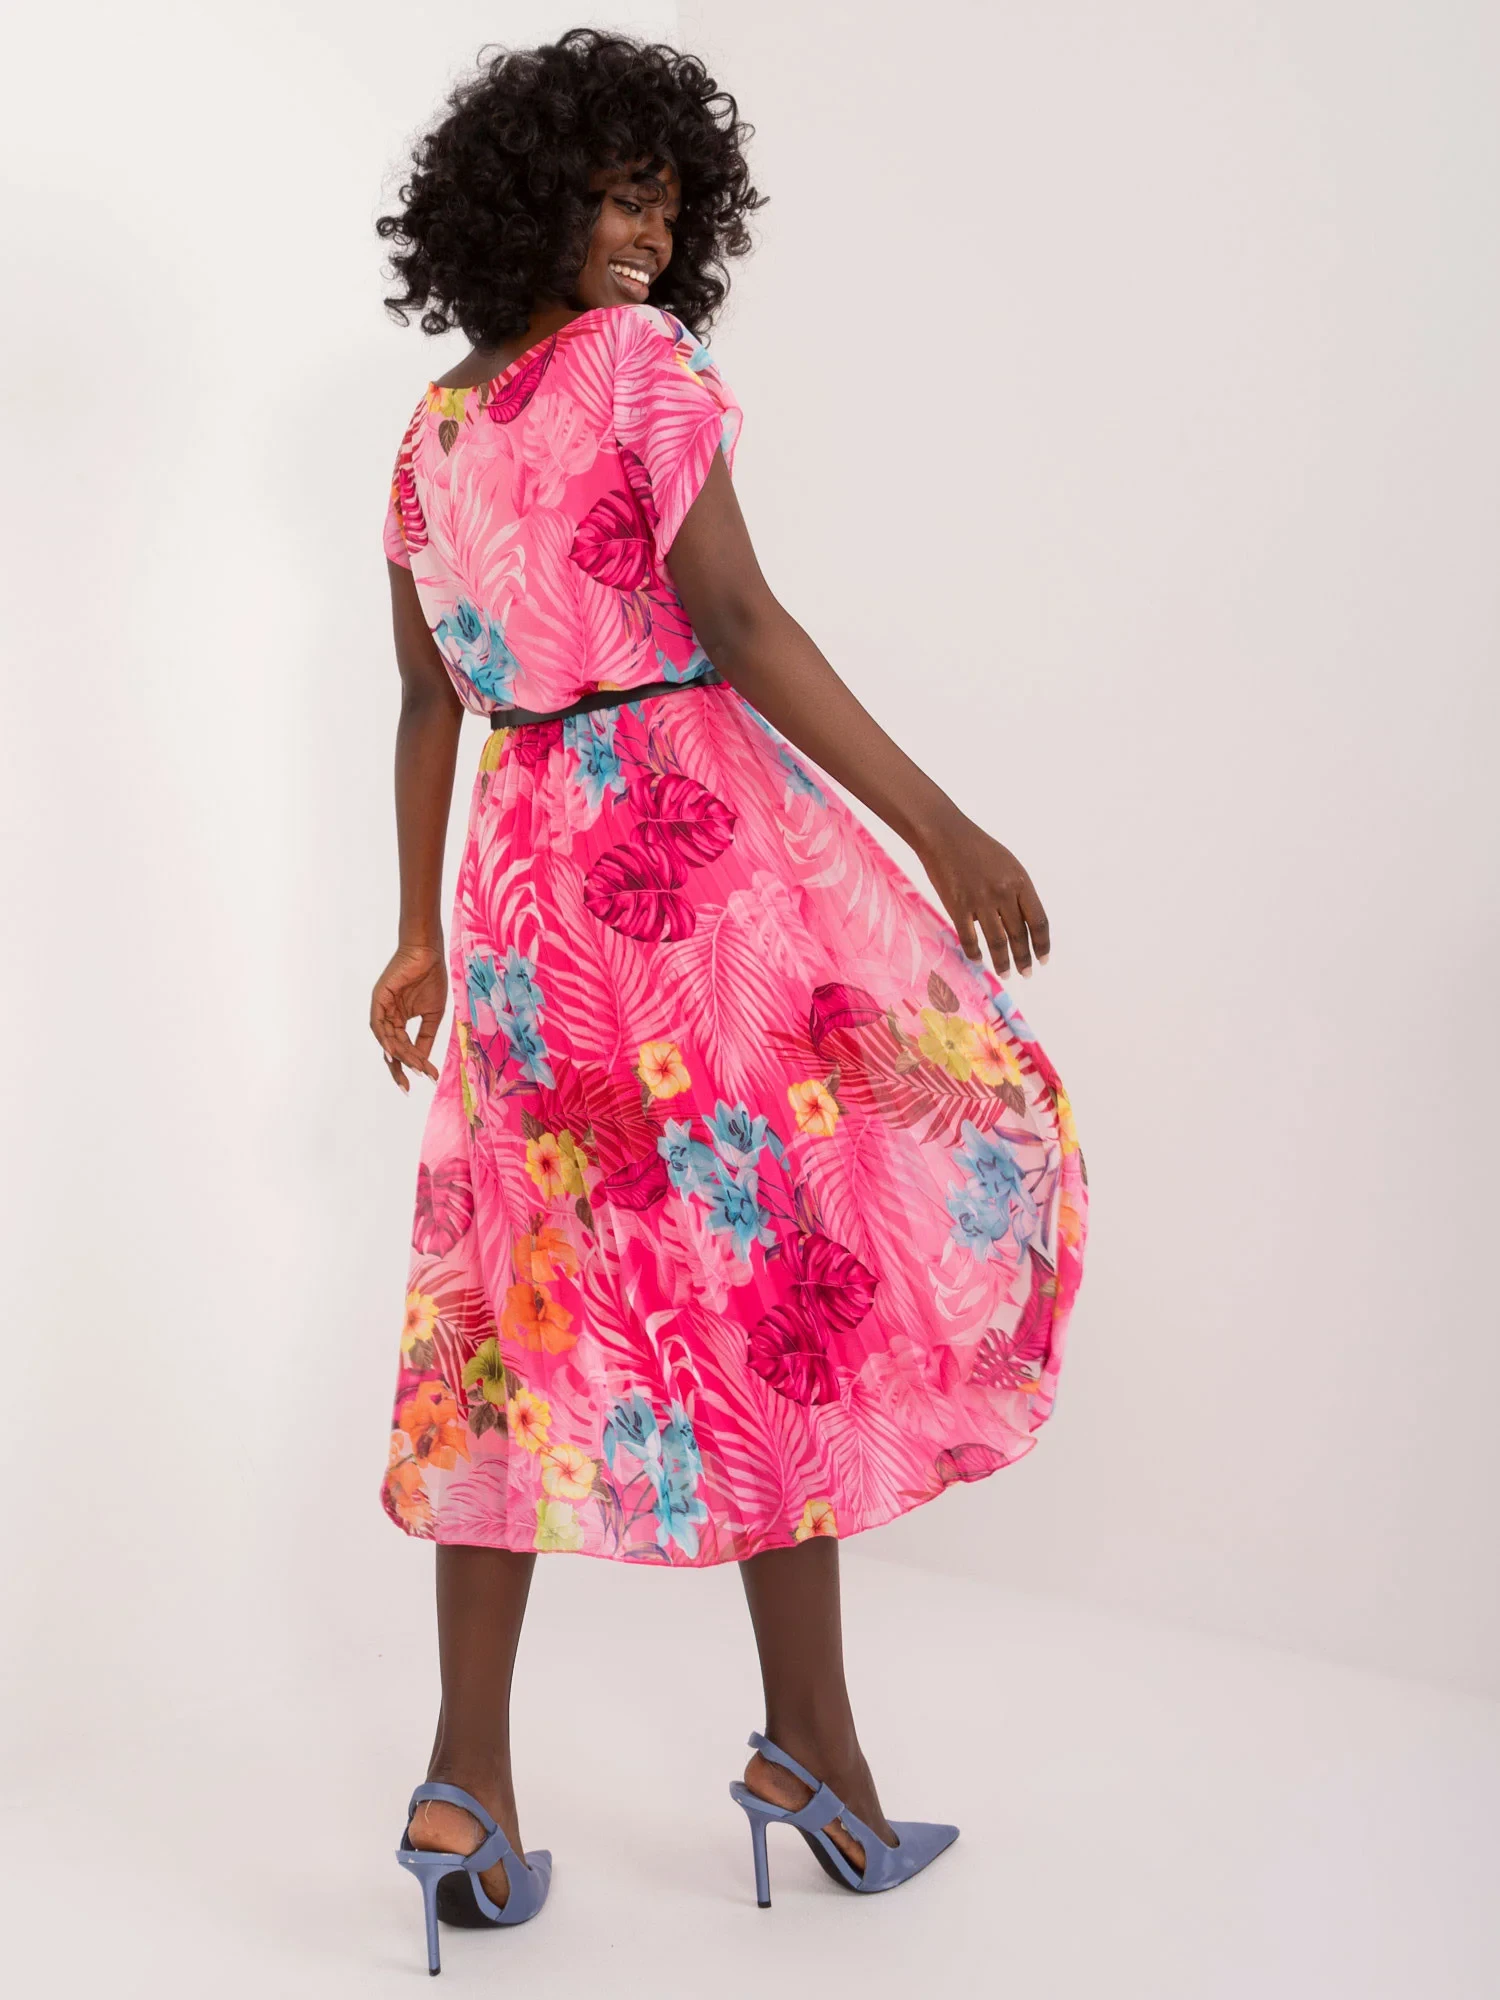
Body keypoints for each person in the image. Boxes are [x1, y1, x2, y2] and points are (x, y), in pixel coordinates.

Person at [372, 27, 1088, 1970]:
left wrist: (421, 930)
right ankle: (814, 1758)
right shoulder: (635, 367)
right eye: (618, 192)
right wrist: (940, 823)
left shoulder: (434, 428)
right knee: (774, 1281)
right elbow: (741, 618)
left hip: (529, 888)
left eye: (669, 202)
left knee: (511, 1305)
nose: (649, 233)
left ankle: (463, 1784)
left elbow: (431, 699)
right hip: (686, 867)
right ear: (531, 200)